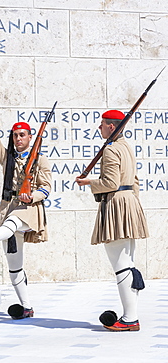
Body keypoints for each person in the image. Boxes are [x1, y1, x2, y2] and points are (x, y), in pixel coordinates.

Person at [76, 109, 149, 332]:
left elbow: (110, 183)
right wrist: (132, 205)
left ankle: (129, 318)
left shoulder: (110, 150)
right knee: (128, 264)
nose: (99, 128)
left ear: (111, 126)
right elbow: (134, 182)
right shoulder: (126, 147)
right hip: (129, 203)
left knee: (121, 267)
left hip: (116, 205)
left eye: (102, 124)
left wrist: (87, 182)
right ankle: (131, 315)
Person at [0, 99, 51, 320]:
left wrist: (32, 196)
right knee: (14, 265)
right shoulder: (8, 158)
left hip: (29, 208)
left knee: (11, 224)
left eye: (22, 135)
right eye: (15, 135)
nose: (18, 139)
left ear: (30, 137)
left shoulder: (40, 160)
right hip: (8, 206)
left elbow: (46, 187)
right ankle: (27, 307)